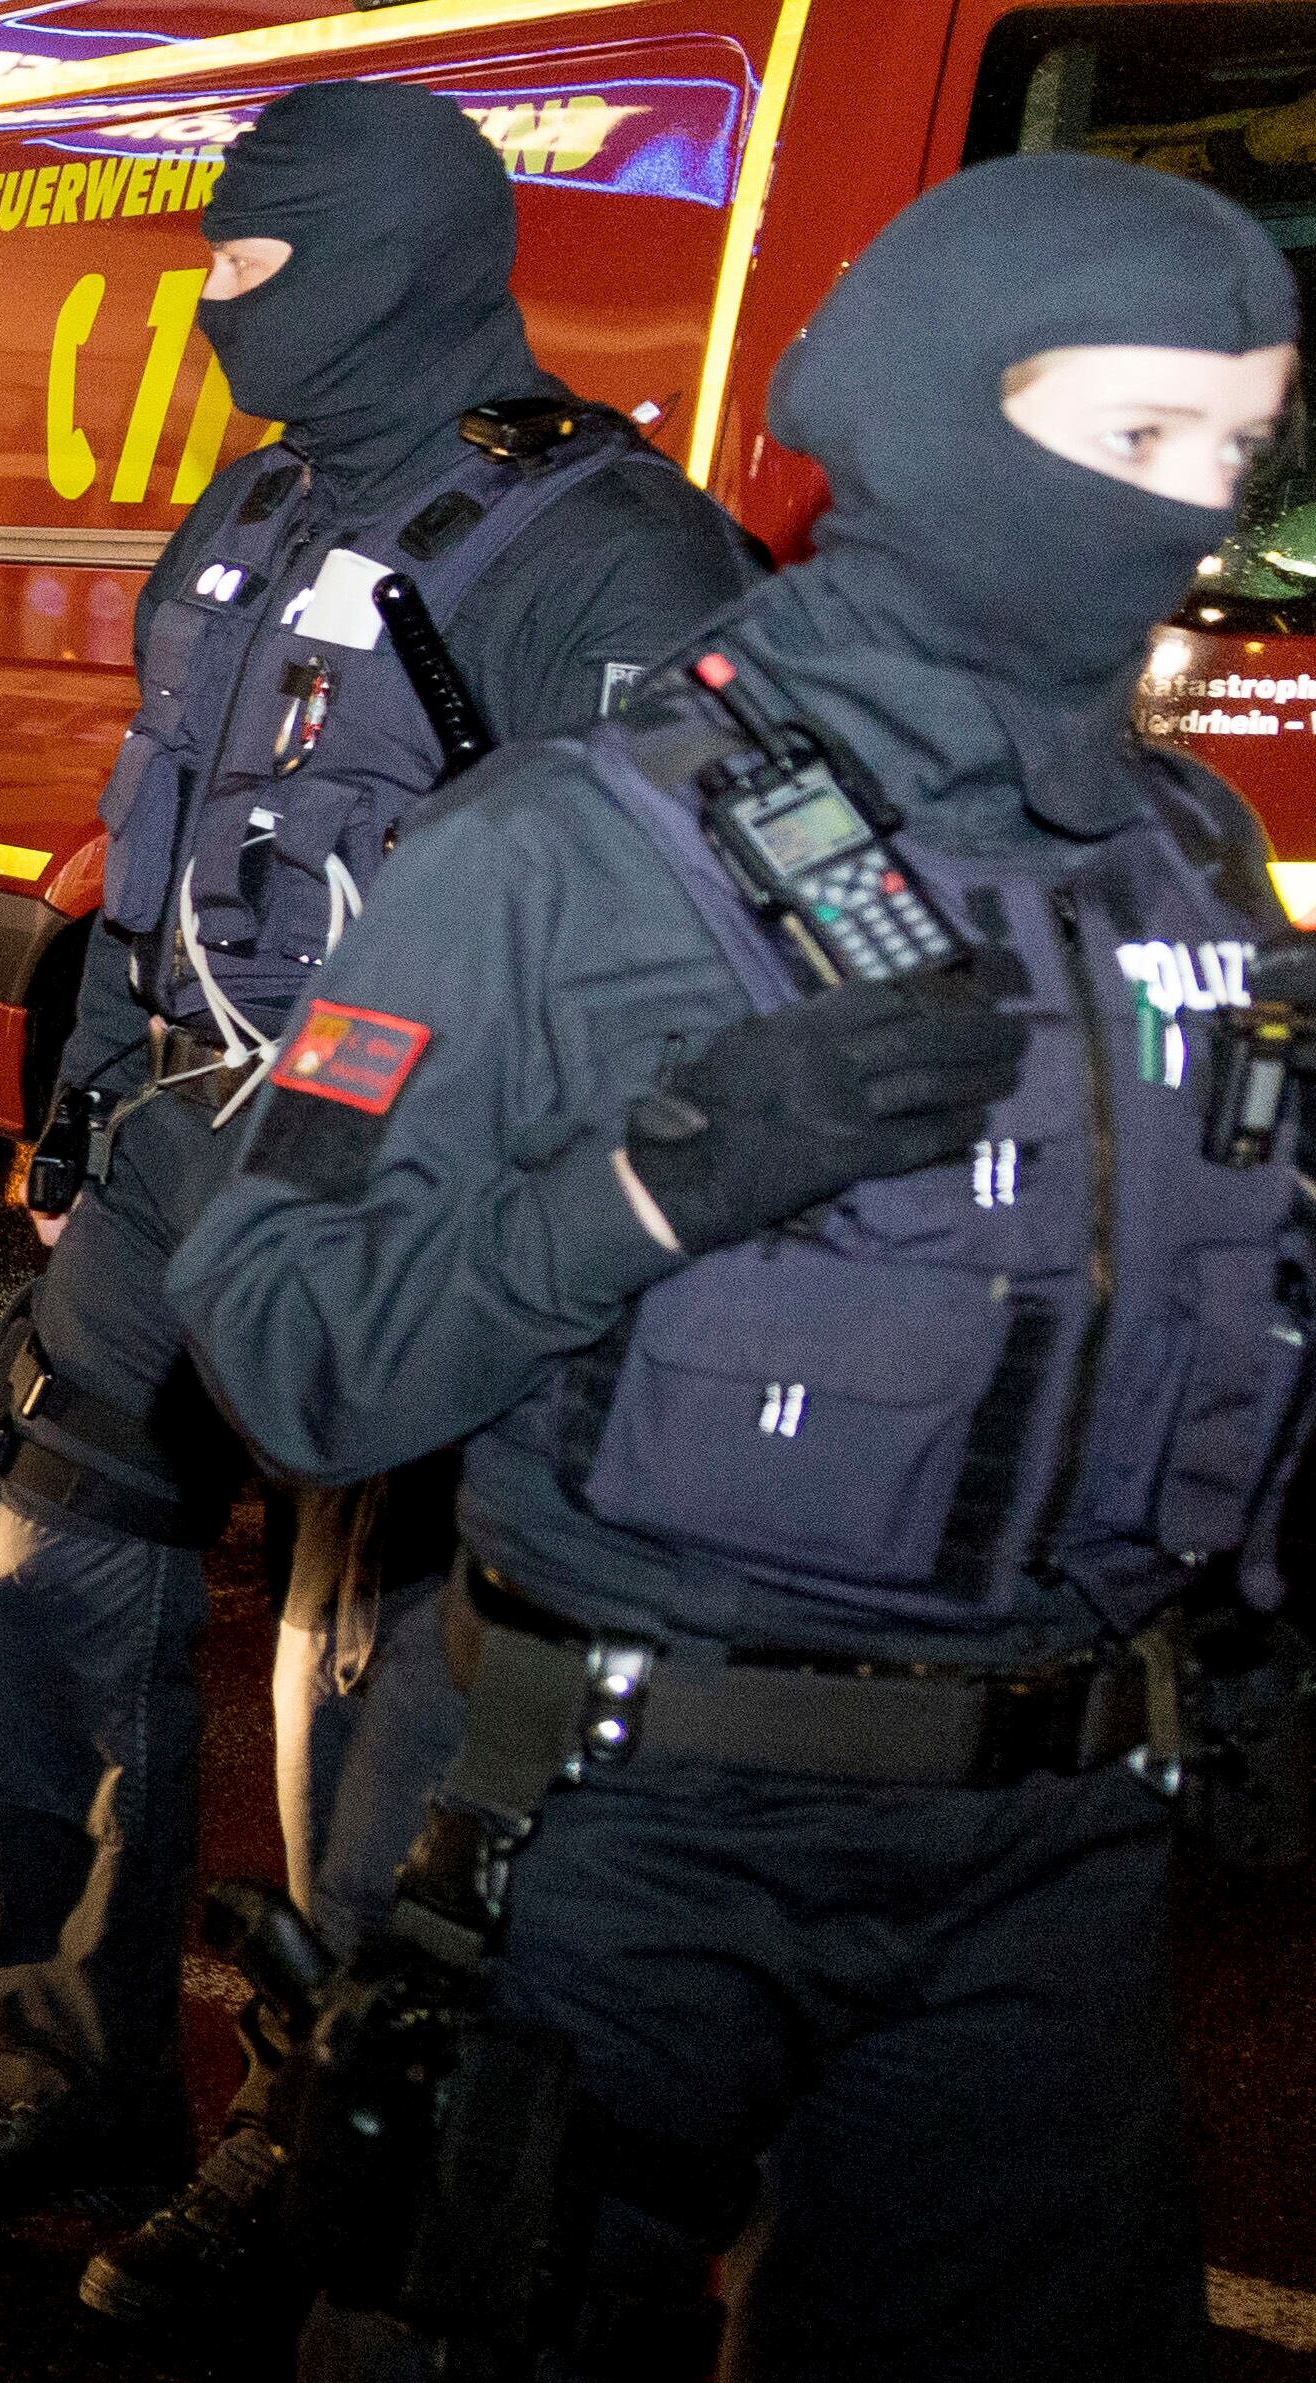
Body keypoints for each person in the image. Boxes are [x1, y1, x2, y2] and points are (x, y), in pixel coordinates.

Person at [167, 153, 1304, 2379]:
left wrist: (1252, 1603)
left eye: (1237, 454)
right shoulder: (570, 853)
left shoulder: (1190, 856)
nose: (1184, 514)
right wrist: (660, 1187)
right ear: (927, 412)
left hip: (1058, 1859)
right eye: (1131, 436)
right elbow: (286, 1351)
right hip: (632, 1856)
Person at [0, 77, 758, 2325]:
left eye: (260, 266)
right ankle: (68, 2074)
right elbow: (156, 846)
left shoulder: (613, 552)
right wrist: (67, 1122)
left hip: (404, 1207)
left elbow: (673, 944)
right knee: (42, 1614)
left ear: (399, 266)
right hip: (161, 1169)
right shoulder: (249, 514)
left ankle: (314, 2136)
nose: (223, 306)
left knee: (370, 1692)